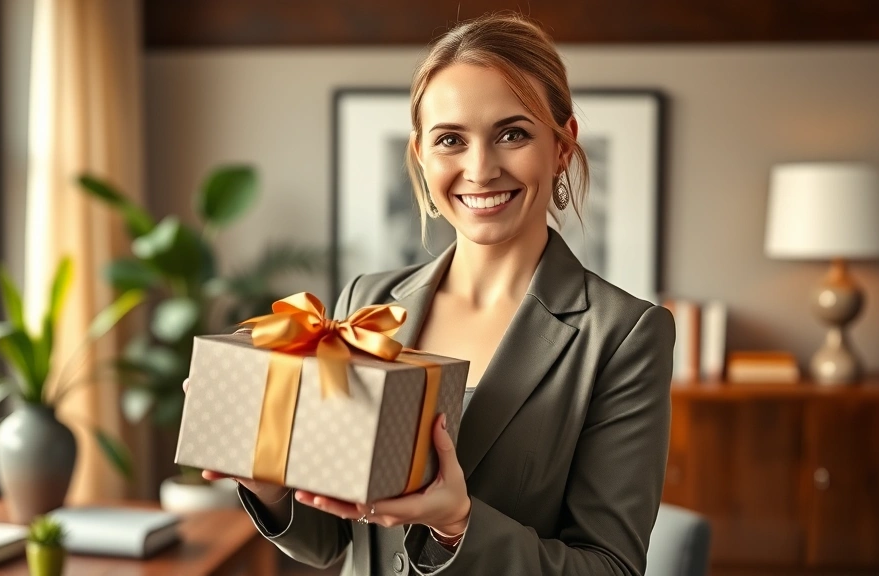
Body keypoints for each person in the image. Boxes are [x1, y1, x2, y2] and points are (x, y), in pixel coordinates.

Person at [184, 13, 675, 575]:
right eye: (450, 140)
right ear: (421, 153)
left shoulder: (622, 335)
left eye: (512, 134)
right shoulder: (366, 306)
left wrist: (459, 526)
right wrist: (269, 483)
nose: (481, 169)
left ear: (563, 146)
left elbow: (611, 567)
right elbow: (337, 541)